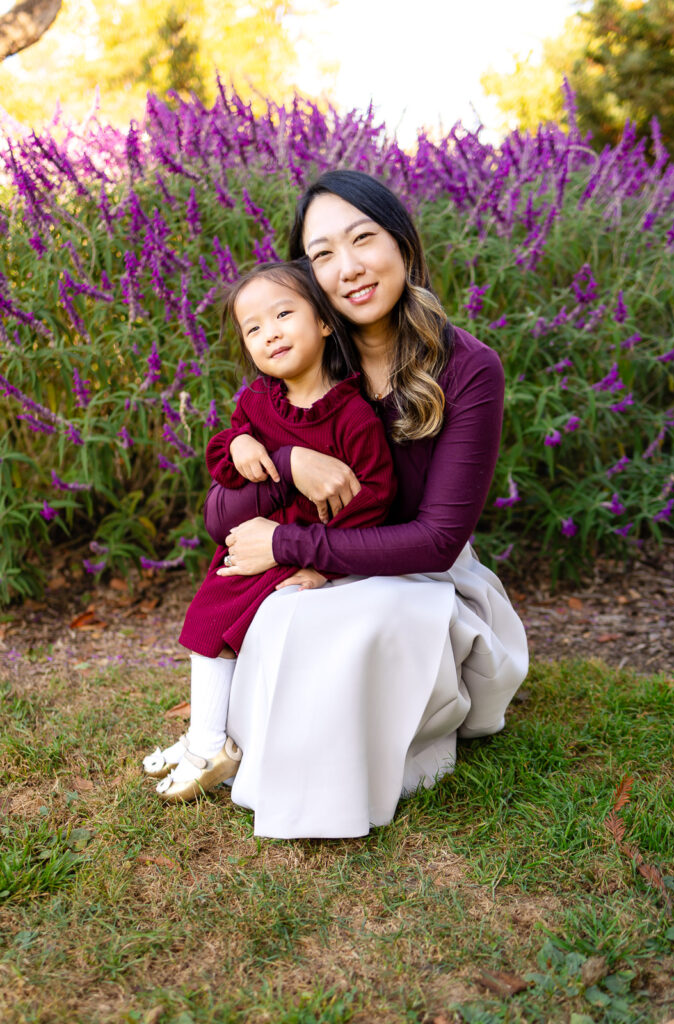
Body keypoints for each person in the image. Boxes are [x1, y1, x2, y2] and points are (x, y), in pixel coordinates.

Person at [207, 169, 529, 839]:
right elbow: (221, 518)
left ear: (404, 244)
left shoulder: (467, 367)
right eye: (322, 254)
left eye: (363, 239)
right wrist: (291, 463)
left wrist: (290, 542)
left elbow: (437, 539)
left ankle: (345, 780)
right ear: (306, 279)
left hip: (419, 573)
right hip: (318, 563)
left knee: (358, 616)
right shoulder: (304, 353)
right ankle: (270, 764)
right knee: (287, 611)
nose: (348, 267)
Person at [143, 259, 395, 802]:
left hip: (305, 549)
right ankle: (203, 738)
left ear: (325, 322)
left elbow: (373, 498)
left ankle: (209, 744)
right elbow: (225, 462)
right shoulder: (258, 401)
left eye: (283, 314)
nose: (270, 332)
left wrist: (320, 566)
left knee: (214, 620)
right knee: (212, 621)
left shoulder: (353, 416)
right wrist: (238, 444)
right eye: (253, 328)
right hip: (261, 538)